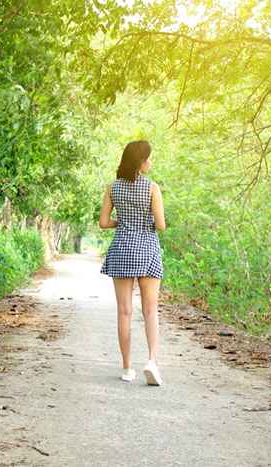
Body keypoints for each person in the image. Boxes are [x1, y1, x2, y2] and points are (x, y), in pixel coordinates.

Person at [99, 140, 166, 386]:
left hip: (122, 249)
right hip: (147, 249)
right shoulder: (152, 188)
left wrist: (122, 222)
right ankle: (151, 361)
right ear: (140, 161)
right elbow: (160, 225)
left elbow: (104, 222)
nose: (151, 162)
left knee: (124, 311)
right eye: (149, 158)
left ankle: (127, 368)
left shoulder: (113, 188)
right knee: (150, 310)